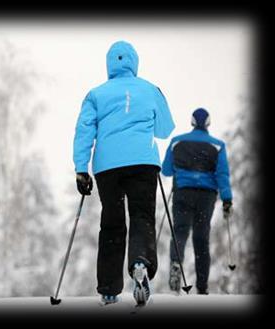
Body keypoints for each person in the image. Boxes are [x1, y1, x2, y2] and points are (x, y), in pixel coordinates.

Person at [73, 40, 175, 306]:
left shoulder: (96, 94)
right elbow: (165, 129)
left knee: (112, 223)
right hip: (143, 162)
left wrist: (81, 170)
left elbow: (84, 131)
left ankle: (108, 288)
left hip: (109, 167)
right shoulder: (150, 90)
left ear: (109, 64)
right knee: (142, 216)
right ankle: (140, 261)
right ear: (134, 62)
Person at [161, 108, 233, 295]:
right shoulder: (218, 146)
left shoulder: (177, 141)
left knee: (180, 232)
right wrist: (227, 199)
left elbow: (166, 170)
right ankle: (202, 286)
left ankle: (176, 264)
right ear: (208, 123)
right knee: (201, 238)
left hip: (183, 192)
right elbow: (222, 174)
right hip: (206, 196)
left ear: (192, 122)